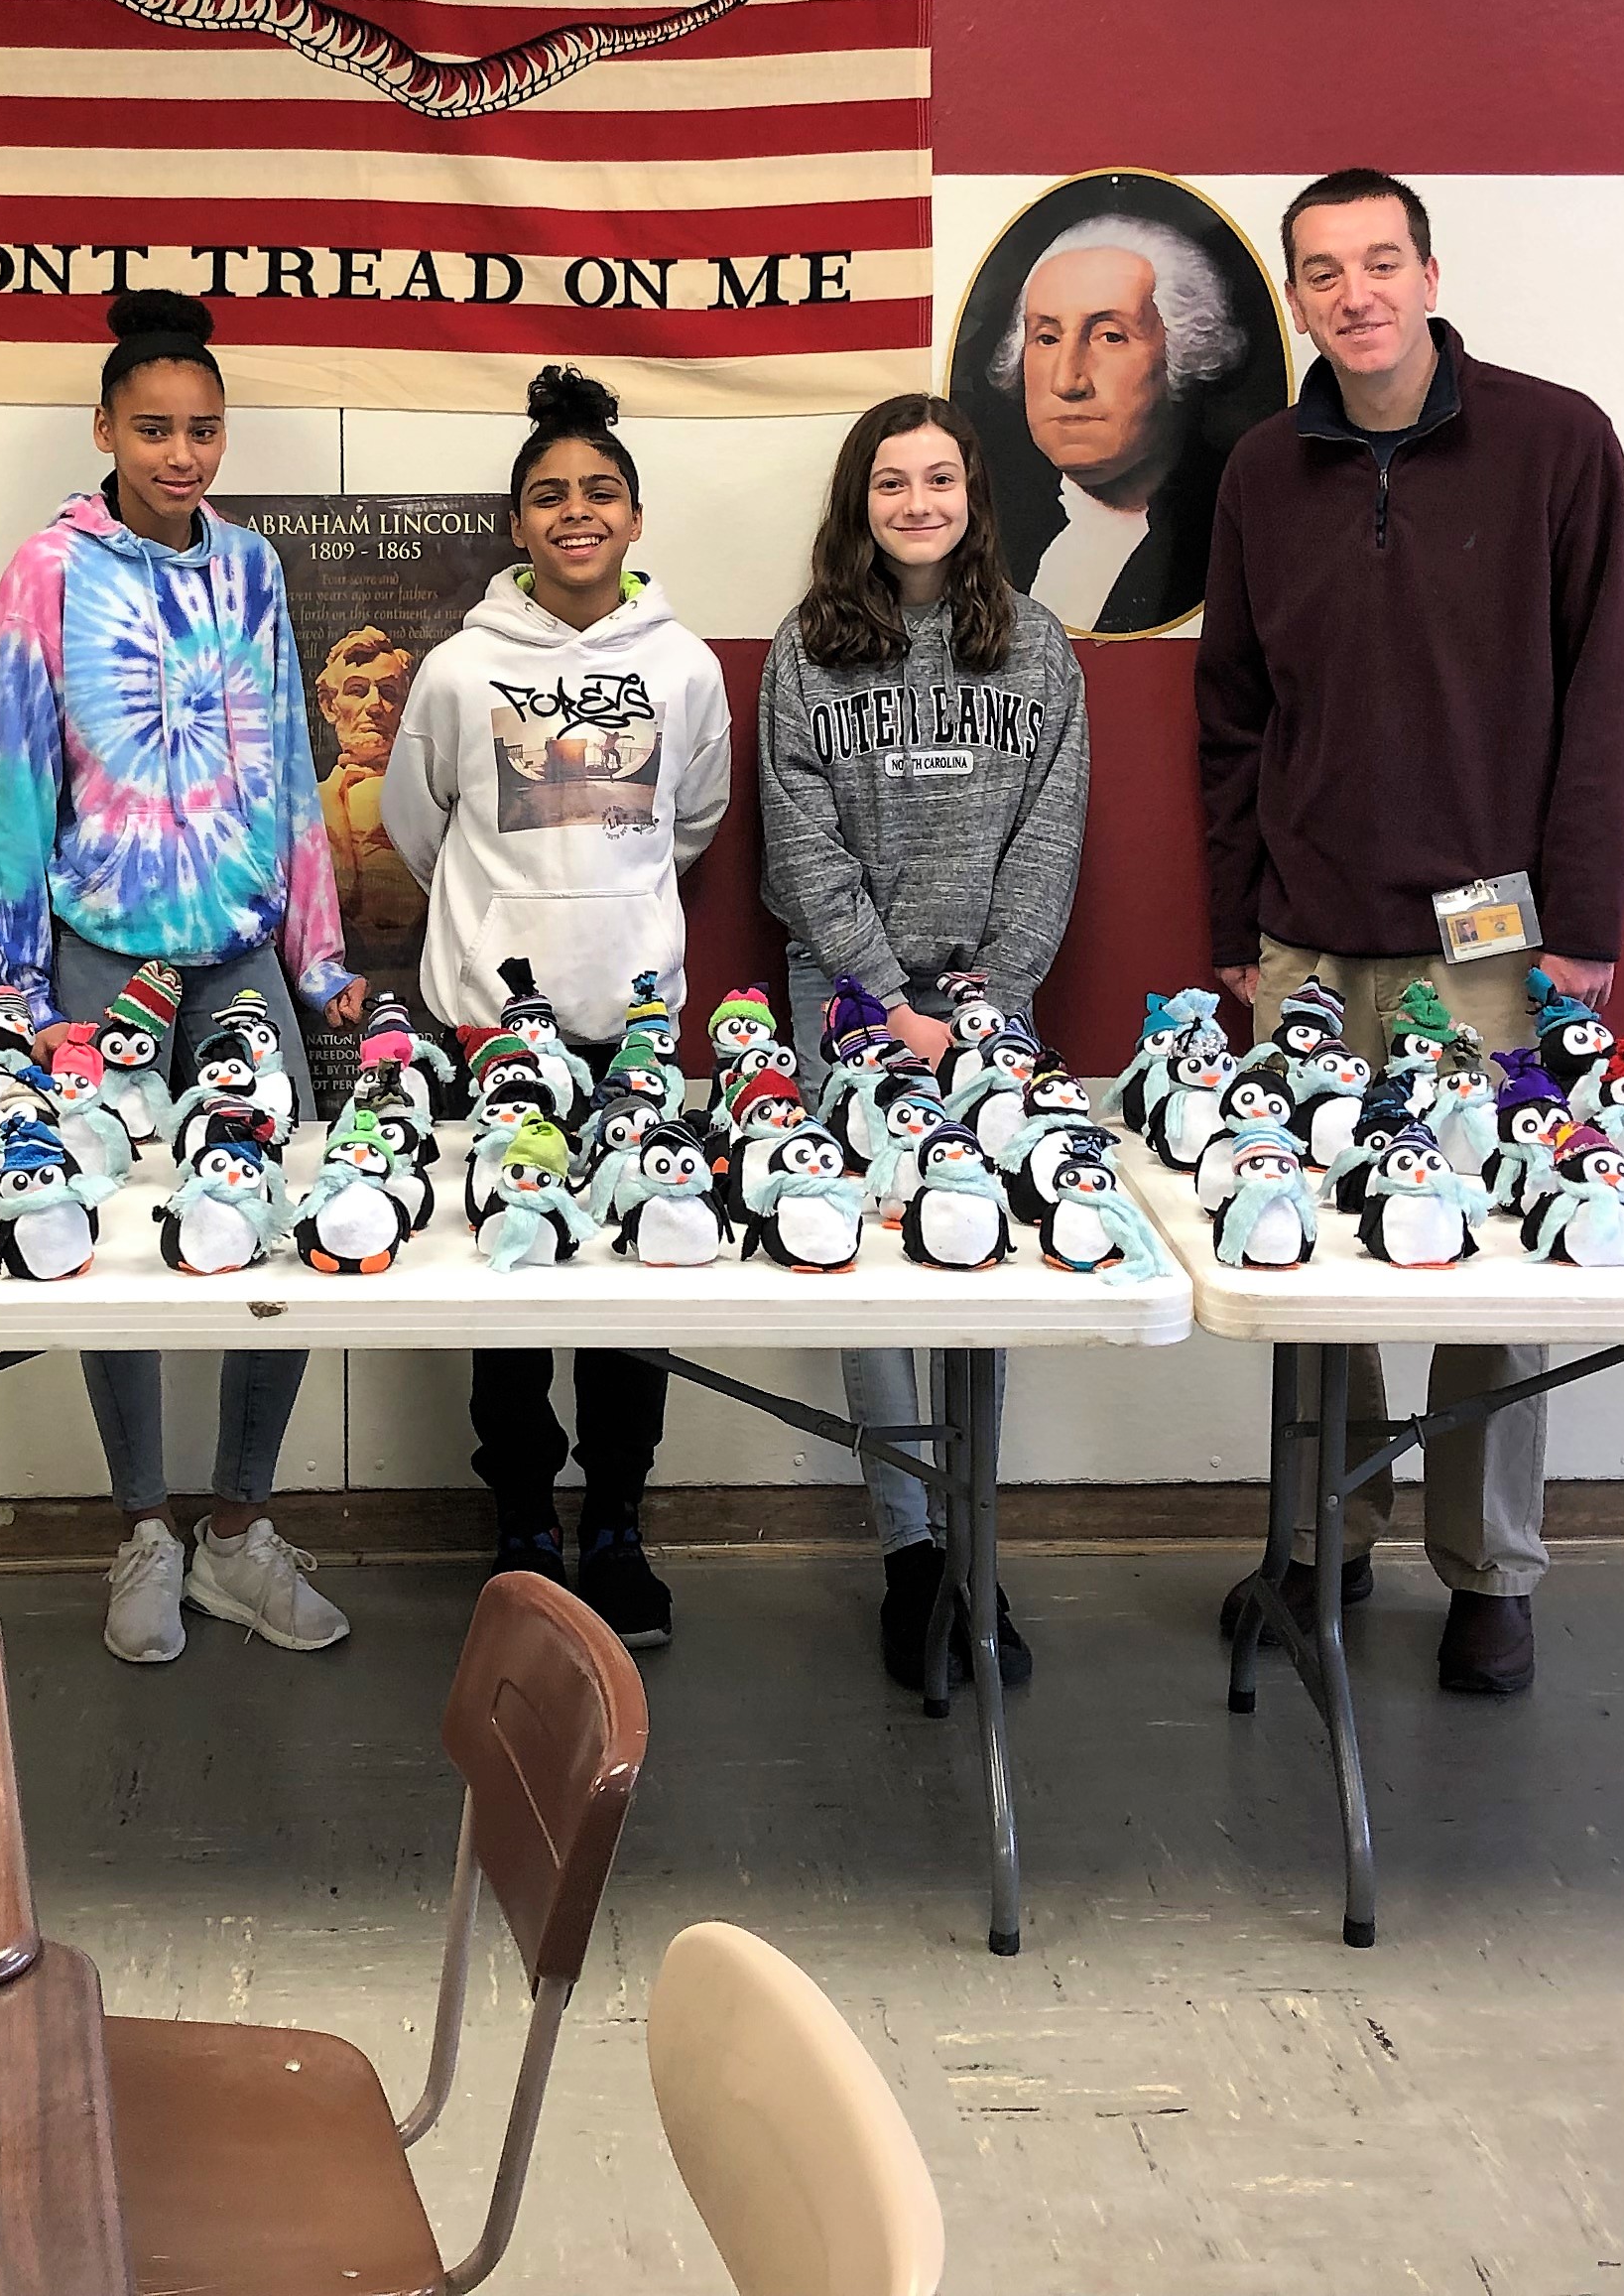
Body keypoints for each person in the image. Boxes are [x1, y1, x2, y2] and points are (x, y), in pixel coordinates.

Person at [1195, 170, 1624, 1698]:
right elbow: (1234, 720)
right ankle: (1323, 1541)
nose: (1355, 294)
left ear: (1430, 273)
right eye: (1321, 273)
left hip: (1490, 935)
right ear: (1299, 301)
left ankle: (1490, 1574)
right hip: (1310, 929)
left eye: (1379, 262)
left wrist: (1579, 924)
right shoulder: (1262, 471)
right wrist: (1237, 928)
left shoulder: (1557, 441)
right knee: (1310, 1248)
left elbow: (1608, 696)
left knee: (1496, 1261)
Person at [0, 288, 363, 1670]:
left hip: (242, 947)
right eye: (155, 428)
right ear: (105, 429)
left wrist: (315, 958)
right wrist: (17, 976)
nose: (183, 453)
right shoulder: (48, 572)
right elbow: (12, 774)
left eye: (203, 428)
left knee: (277, 1231)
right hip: (100, 947)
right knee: (112, 1241)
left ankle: (238, 1531)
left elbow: (291, 773)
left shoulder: (251, 569)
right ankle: (143, 1526)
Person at [386, 365, 733, 1648]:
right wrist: (509, 936)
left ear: (635, 518)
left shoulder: (686, 669)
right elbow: (417, 826)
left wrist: (609, 922)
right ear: (517, 525)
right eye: (548, 496)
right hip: (492, 1033)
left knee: (633, 1287)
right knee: (514, 1289)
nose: (575, 512)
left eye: (599, 492)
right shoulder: (460, 671)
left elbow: (688, 822)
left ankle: (621, 1523)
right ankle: (523, 1520)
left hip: (634, 1030)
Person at [759, 395, 1084, 1692]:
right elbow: (798, 842)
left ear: (973, 496)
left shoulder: (1040, 649)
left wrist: (985, 1001)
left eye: (938, 480)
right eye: (890, 483)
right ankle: (909, 1555)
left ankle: (976, 1546)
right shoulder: (805, 649)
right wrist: (888, 1000)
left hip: (991, 1007)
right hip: (845, 999)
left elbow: (1052, 839)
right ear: (860, 502)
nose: (916, 504)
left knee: (981, 1253)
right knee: (877, 1278)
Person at [991, 209, 1260, 635]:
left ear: (1185, 354)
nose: (1067, 381)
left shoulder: (1231, 533)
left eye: (1110, 336)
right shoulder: (993, 528)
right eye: (1046, 338)